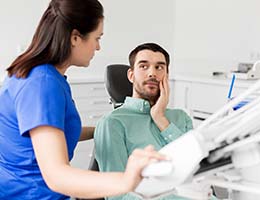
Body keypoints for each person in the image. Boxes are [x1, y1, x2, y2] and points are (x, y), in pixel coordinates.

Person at [0, 1, 167, 199]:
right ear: (75, 38)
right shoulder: (42, 84)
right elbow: (57, 176)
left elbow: (51, 133)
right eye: (97, 38)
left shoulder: (47, 76)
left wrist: (106, 127)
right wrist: (126, 180)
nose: (98, 47)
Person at [94, 43, 193, 200]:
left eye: (159, 67)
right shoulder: (112, 123)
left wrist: (161, 118)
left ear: (167, 75)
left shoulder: (181, 117)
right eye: (144, 66)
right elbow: (116, 196)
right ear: (131, 75)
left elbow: (195, 168)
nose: (152, 73)